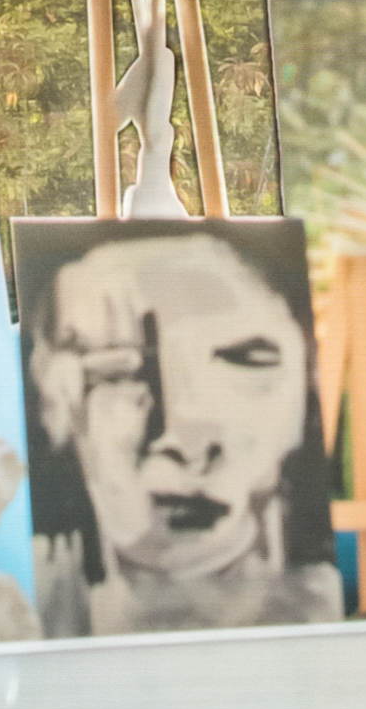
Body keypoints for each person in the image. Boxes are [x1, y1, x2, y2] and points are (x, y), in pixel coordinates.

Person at [21, 220, 338, 637]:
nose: (183, 437)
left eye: (245, 361)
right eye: (117, 372)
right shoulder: (12, 610)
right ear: (53, 402)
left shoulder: (343, 605)